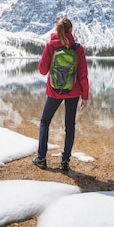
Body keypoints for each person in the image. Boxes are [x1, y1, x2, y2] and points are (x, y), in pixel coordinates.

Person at [33, 18, 89, 171]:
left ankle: (41, 158)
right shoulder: (78, 48)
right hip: (74, 91)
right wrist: (85, 96)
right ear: (71, 31)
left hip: (54, 91)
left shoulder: (51, 45)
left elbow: (42, 70)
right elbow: (83, 75)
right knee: (69, 126)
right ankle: (65, 161)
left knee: (45, 122)